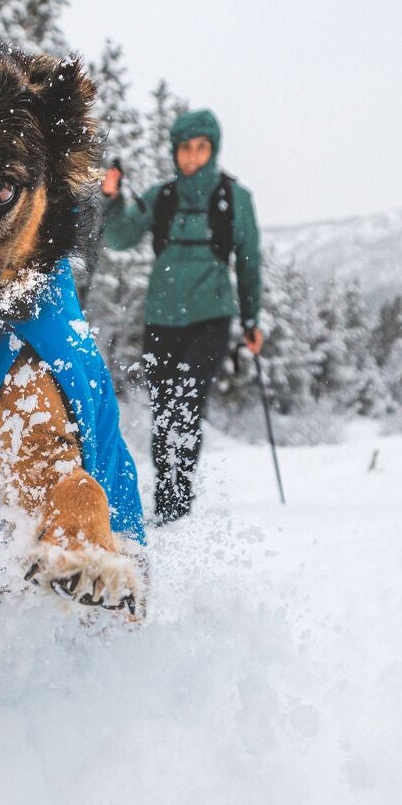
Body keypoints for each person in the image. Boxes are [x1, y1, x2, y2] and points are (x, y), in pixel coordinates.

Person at [100, 108, 262, 523]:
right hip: (162, 316)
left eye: (201, 148)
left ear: (213, 150)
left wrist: (251, 321)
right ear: (175, 151)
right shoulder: (162, 197)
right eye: (185, 148)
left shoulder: (234, 199)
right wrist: (112, 199)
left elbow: (248, 261)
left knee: (186, 402)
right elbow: (120, 238)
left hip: (212, 314)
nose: (192, 156)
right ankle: (167, 499)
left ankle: (178, 503)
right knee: (164, 407)